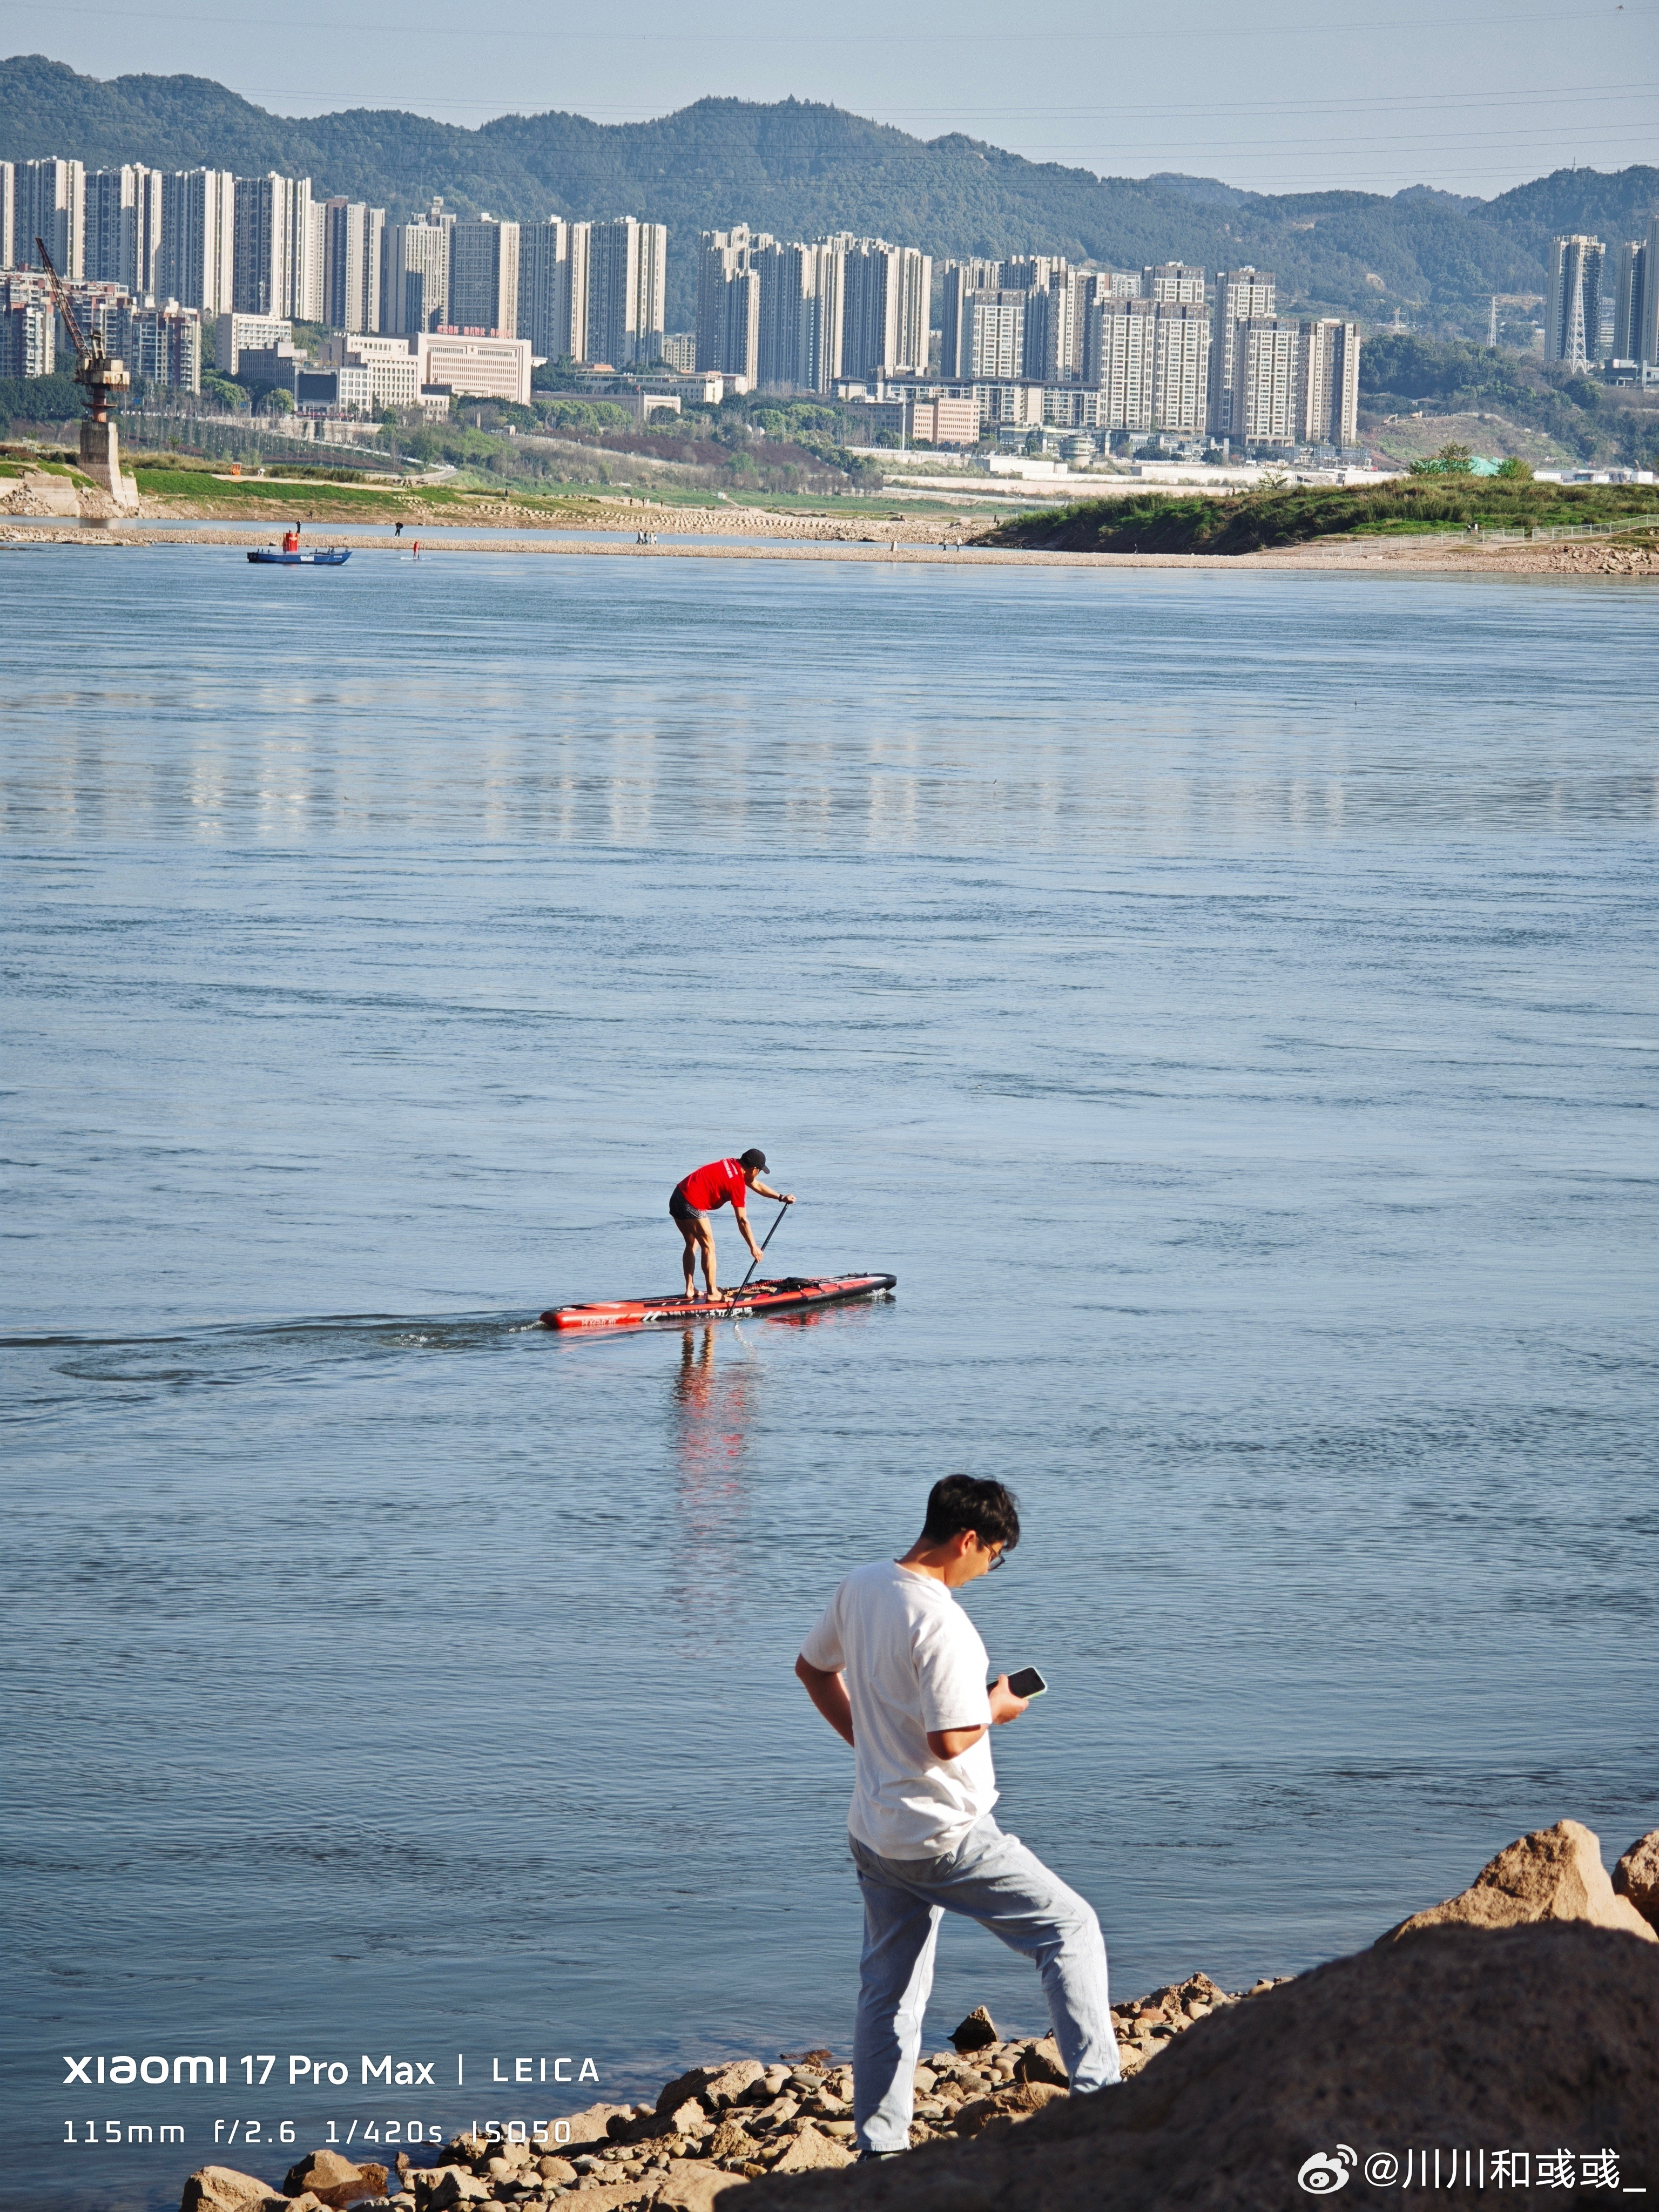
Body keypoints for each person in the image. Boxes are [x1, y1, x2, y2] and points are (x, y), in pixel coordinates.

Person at [795, 1475, 1118, 2161]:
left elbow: (813, 1670)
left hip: (875, 1831)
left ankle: (879, 2151)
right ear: (969, 1540)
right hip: (945, 1836)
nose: (988, 1570)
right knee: (1071, 1928)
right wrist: (996, 1706)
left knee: (890, 1993)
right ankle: (1103, 2101)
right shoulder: (943, 1622)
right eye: (993, 1556)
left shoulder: (861, 1585)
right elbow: (950, 1738)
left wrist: (869, 1744)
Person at [669, 1149, 793, 1300]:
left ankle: (690, 1288)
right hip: (692, 1203)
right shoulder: (737, 1185)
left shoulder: (731, 1163)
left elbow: (756, 1185)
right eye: (760, 1170)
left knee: (692, 1244)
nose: (758, 1174)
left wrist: (781, 1197)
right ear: (754, 1169)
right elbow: (742, 1220)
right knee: (709, 1246)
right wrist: (753, 1247)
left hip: (677, 1196)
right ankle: (713, 1293)